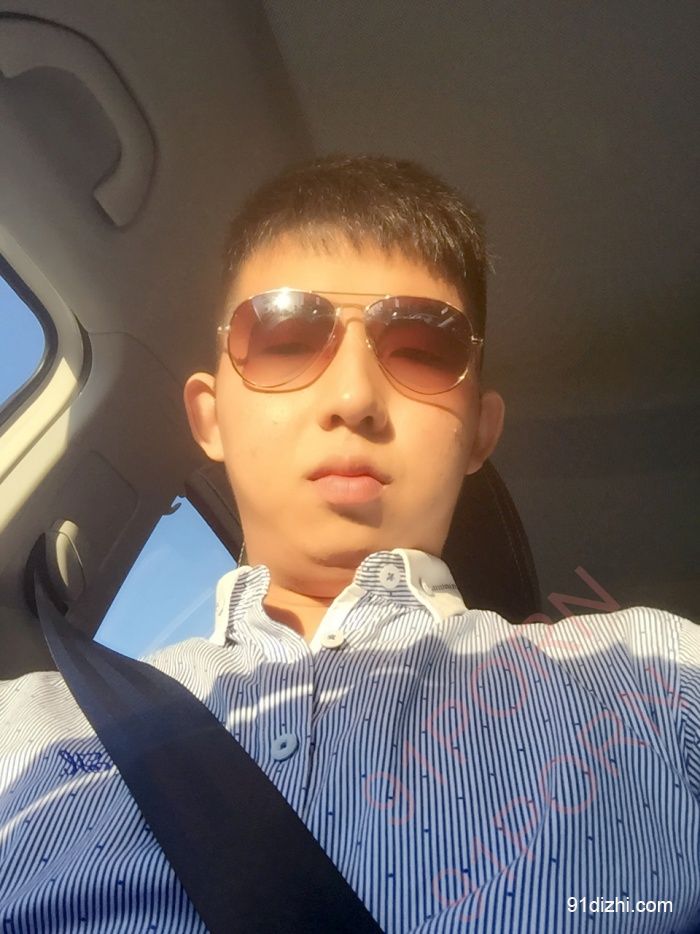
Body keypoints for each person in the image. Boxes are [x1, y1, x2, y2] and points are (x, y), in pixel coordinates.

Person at [1, 154, 698, 932]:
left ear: (480, 431)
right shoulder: (26, 737)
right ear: (210, 416)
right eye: (285, 338)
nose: (354, 396)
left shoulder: (656, 681)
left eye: (423, 349)